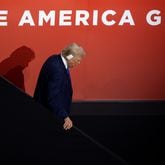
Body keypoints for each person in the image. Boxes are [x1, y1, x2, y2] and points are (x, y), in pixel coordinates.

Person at [33, 43, 86, 130]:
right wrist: (65, 117)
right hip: (50, 117)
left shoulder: (55, 59)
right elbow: (52, 97)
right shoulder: (57, 69)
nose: (79, 63)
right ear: (70, 57)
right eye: (78, 60)